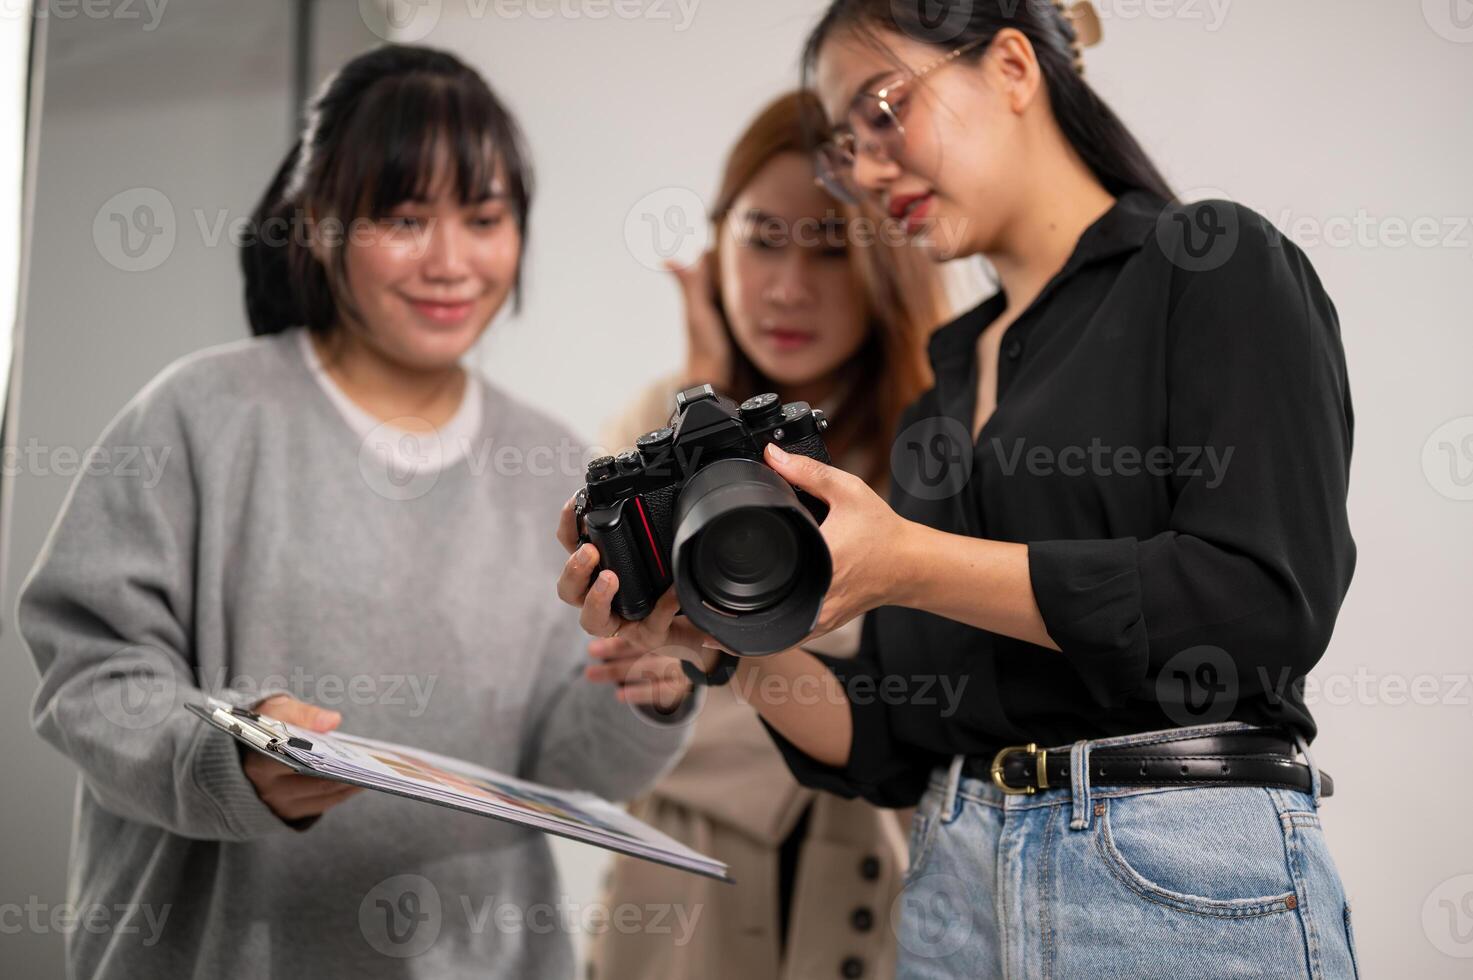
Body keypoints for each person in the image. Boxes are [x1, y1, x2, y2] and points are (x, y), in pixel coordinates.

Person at [557, 2, 1361, 976]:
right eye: (845, 149)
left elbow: (1259, 602)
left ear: (1014, 67)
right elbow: (889, 731)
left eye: (884, 111)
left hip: (1177, 875)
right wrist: (720, 646)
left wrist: (913, 562)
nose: (866, 170)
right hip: (954, 884)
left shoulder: (1212, 265)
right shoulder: (943, 393)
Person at [20, 44, 692, 980]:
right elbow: (88, 680)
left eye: (485, 217)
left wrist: (644, 699)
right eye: (404, 218)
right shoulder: (201, 416)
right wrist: (232, 759)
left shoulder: (552, 461)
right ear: (318, 224)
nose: (452, 261)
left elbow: (566, 762)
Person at [585, 91, 947, 980]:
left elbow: (933, 716)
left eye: (830, 248)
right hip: (678, 906)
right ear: (718, 244)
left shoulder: (935, 446)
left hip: (878, 891)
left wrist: (709, 674)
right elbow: (605, 698)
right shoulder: (645, 431)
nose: (786, 288)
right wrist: (701, 406)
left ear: (887, 262)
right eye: (760, 239)